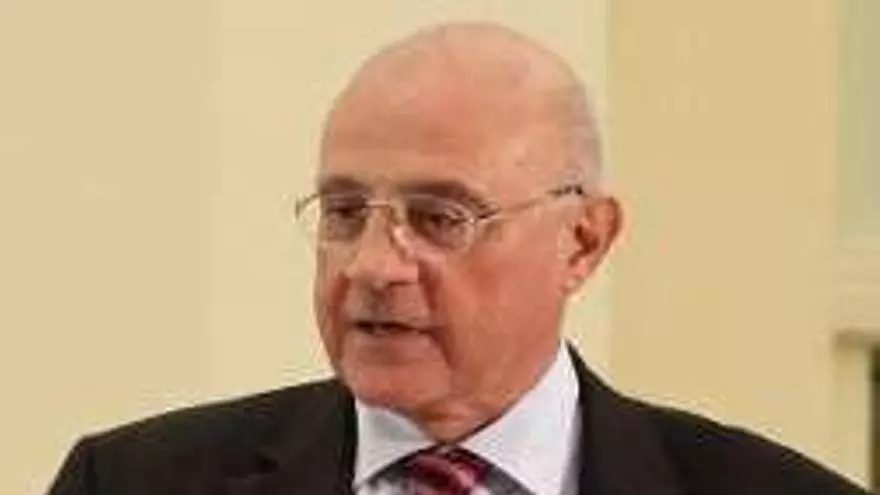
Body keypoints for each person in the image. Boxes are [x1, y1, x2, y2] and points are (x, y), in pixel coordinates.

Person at [49, 22, 869, 495]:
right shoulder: (127, 482)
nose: (374, 264)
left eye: (440, 218)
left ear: (583, 241)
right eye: (344, 212)